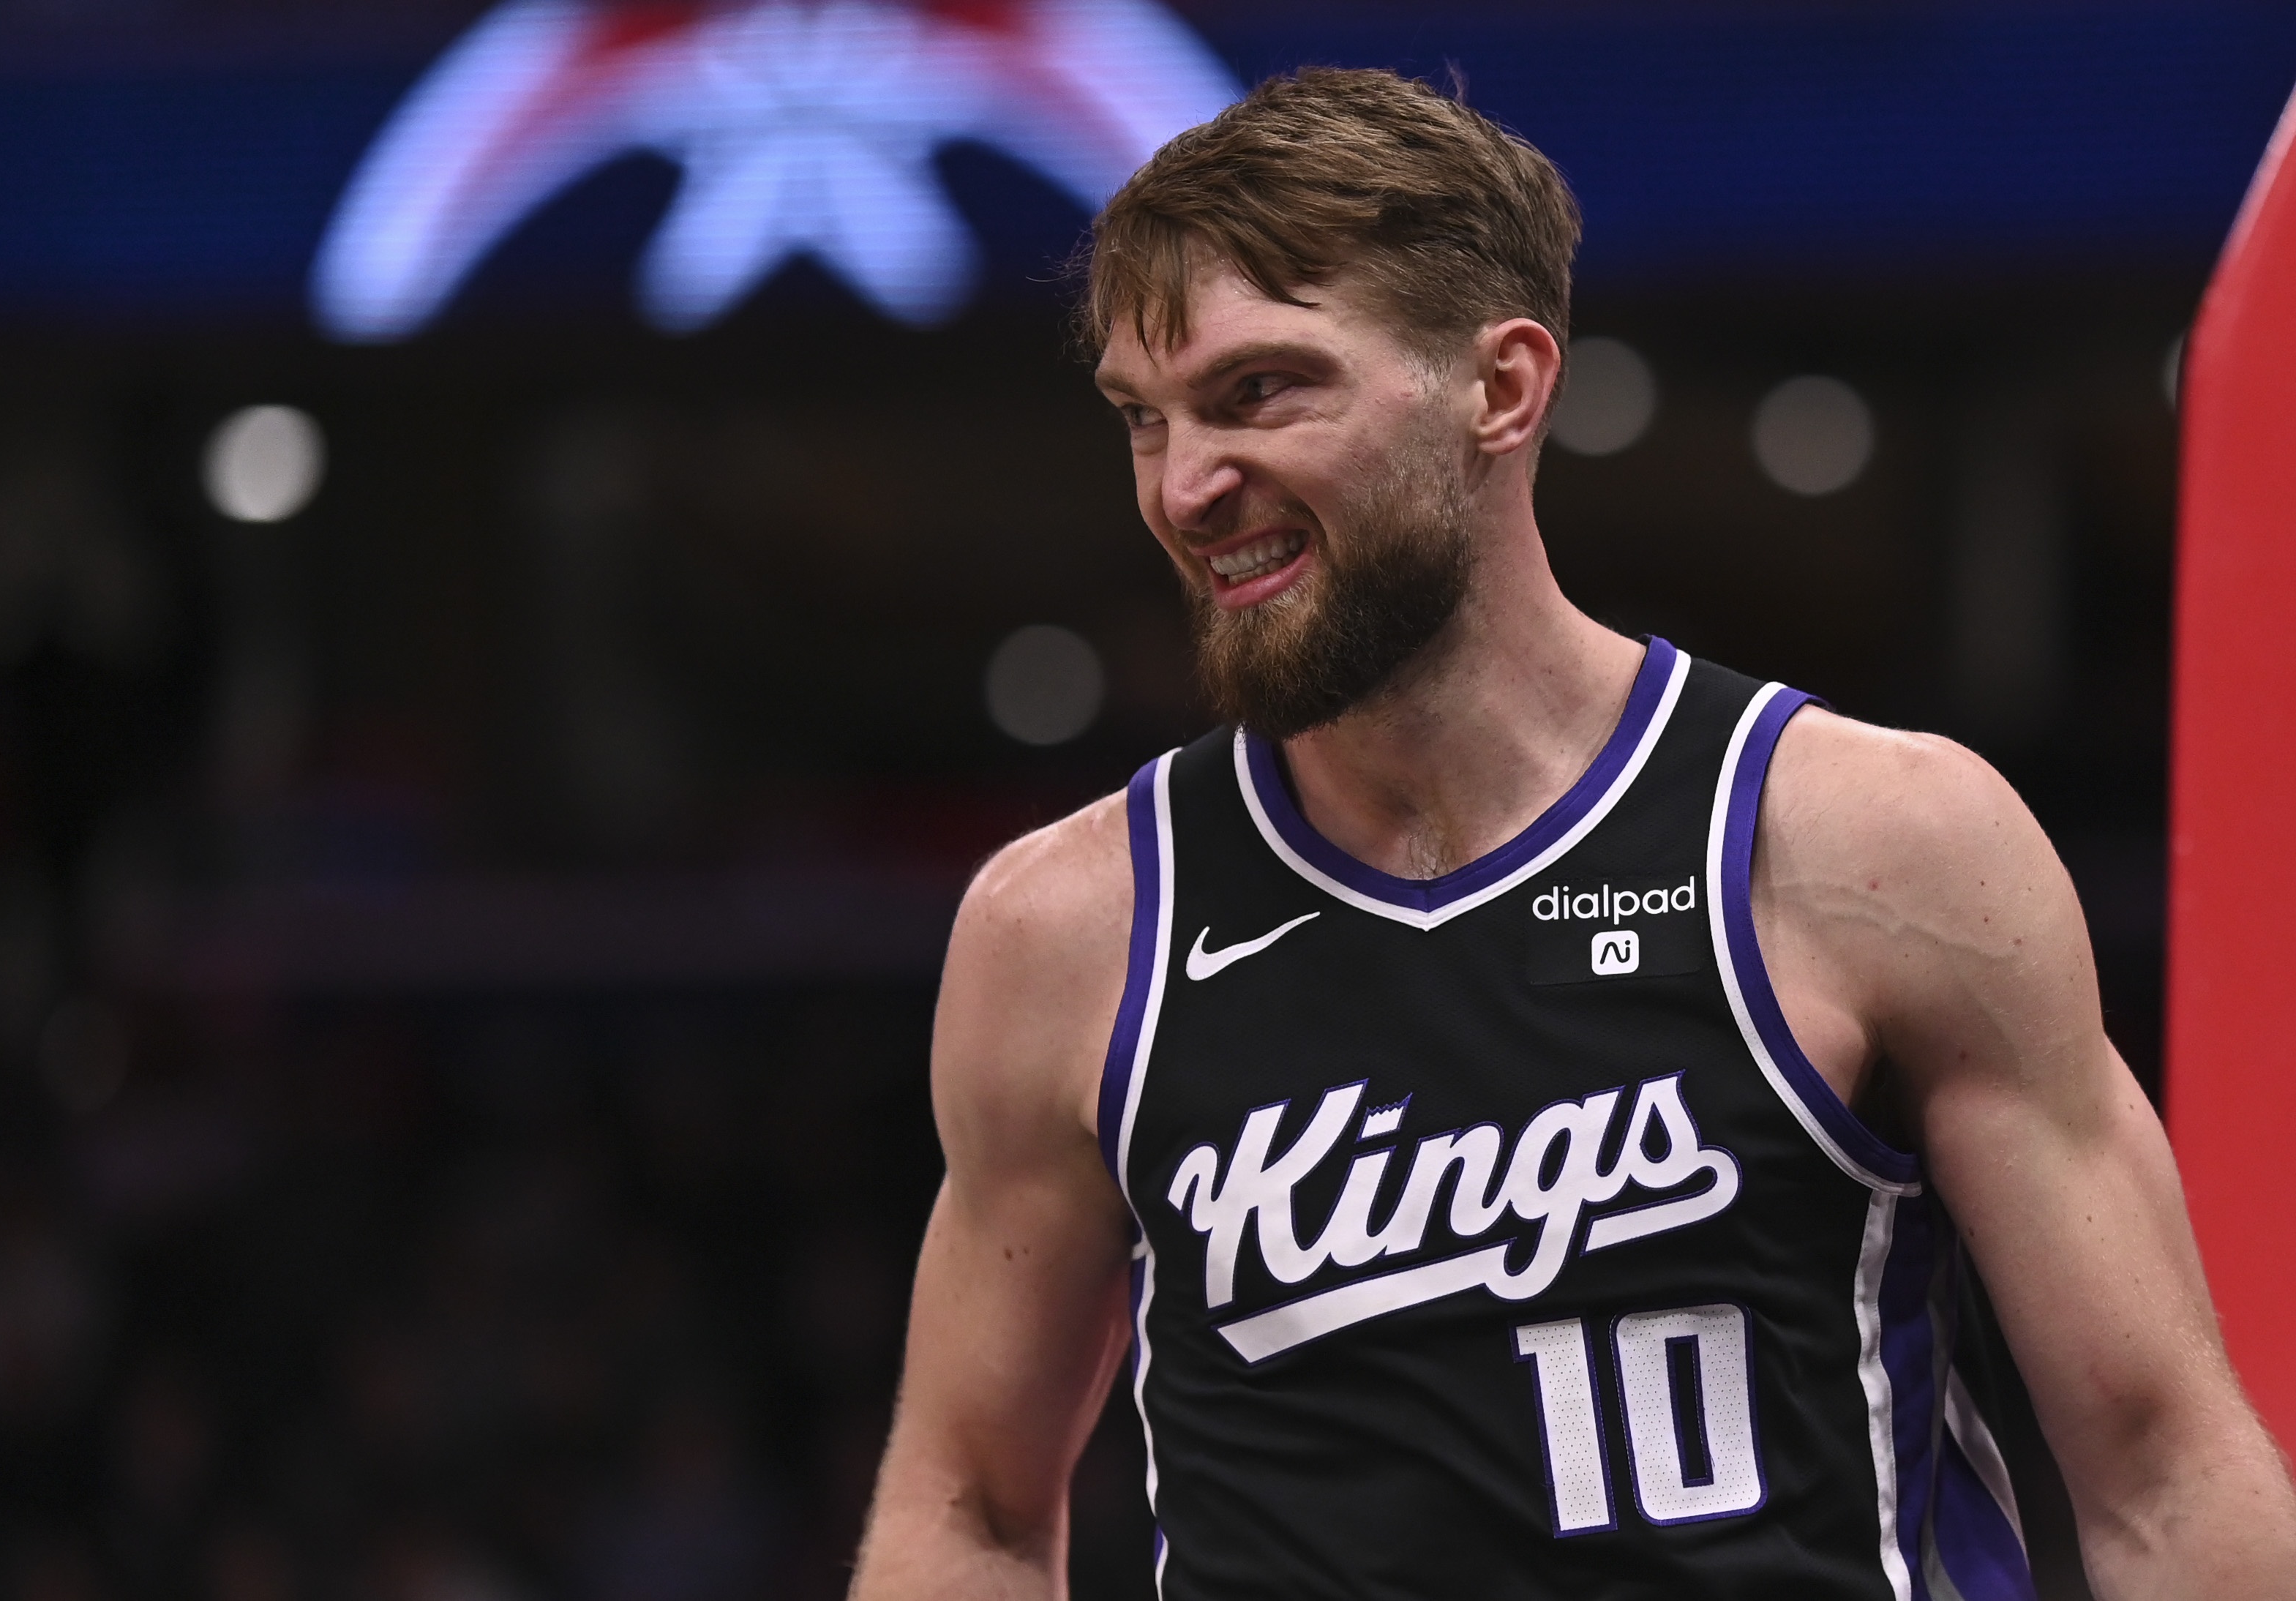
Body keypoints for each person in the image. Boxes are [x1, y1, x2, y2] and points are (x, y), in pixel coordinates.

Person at [847, 68, 2296, 1600]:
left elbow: (2165, 1475)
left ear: (1503, 388)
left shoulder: (1873, 840)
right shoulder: (1067, 930)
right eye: (1148, 419)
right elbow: (970, 1509)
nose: (1189, 485)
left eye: (1261, 390)